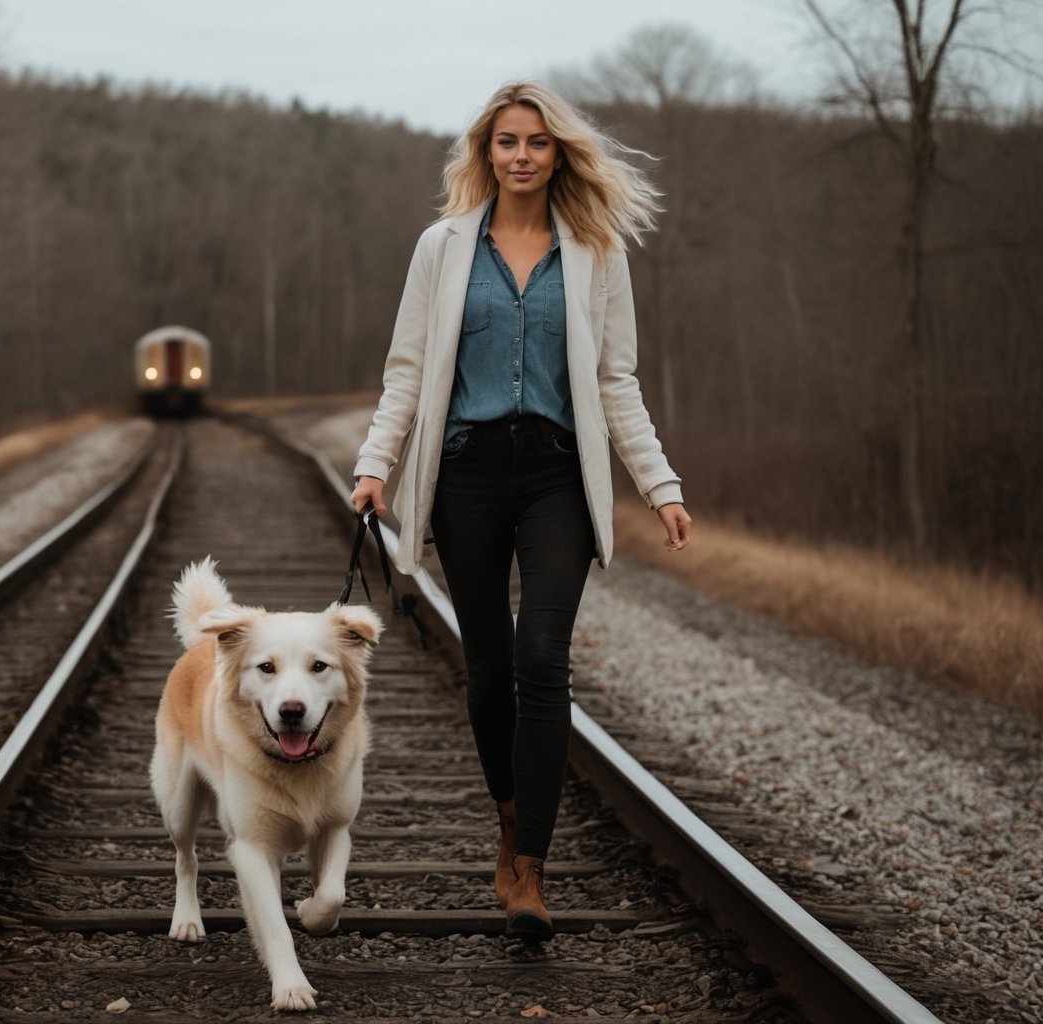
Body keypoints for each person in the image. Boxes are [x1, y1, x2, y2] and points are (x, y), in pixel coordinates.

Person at [349, 81, 692, 940]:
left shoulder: (597, 252)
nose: (523, 156)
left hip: (556, 476)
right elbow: (406, 368)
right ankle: (508, 820)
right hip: (466, 472)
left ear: (558, 153)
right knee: (489, 668)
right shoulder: (441, 248)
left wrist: (661, 485)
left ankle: (531, 868)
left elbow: (617, 382)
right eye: (508, 141)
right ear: (486, 152)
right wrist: (373, 466)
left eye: (537, 142)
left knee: (542, 656)